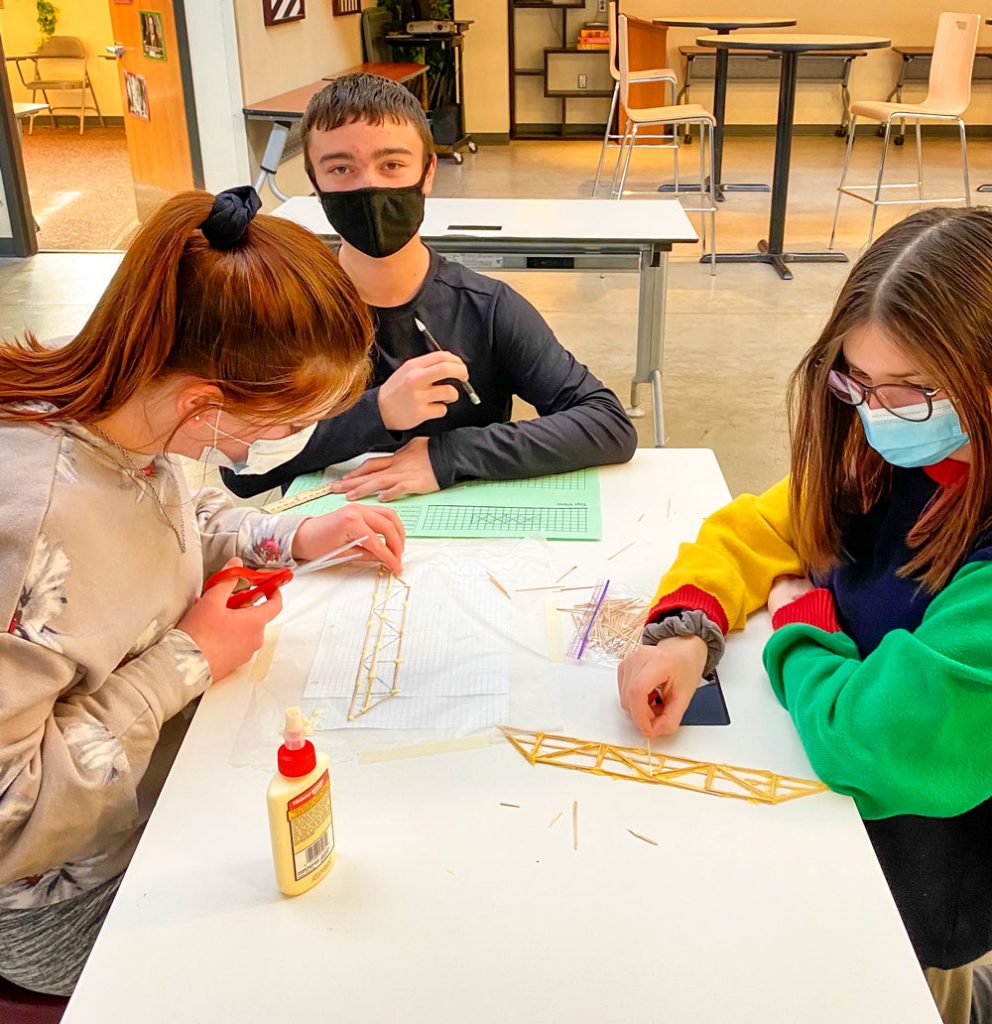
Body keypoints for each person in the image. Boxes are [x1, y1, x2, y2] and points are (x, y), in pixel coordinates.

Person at [0, 187, 404, 996]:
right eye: (275, 429)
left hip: (161, 787)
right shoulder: (35, 523)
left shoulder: (130, 412)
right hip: (61, 897)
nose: (271, 446)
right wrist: (187, 659)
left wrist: (293, 534)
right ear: (204, 402)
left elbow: (180, 510)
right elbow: (10, 819)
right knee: (348, 956)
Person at [616, 207, 992, 1024]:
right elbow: (763, 526)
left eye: (909, 392)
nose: (874, 413)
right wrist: (689, 628)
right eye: (856, 382)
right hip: (831, 825)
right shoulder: (894, 460)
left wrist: (799, 629)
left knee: (914, 996)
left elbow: (881, 742)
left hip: (924, 886)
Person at [223, 72, 637, 504]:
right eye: (341, 168)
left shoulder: (487, 308)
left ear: (427, 173)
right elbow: (243, 469)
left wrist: (449, 456)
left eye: (392, 165)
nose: (371, 187)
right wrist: (378, 411)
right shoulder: (283, 308)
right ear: (315, 183)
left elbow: (607, 423)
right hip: (329, 537)